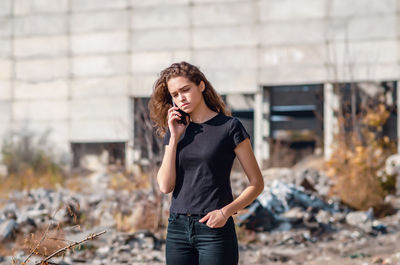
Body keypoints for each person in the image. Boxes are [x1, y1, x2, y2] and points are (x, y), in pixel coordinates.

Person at [148, 61, 264, 265]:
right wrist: (174, 138)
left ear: (201, 86)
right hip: (177, 229)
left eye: (186, 90)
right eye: (175, 95)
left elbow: (256, 183)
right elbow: (165, 186)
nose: (181, 98)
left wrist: (225, 212)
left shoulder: (229, 127)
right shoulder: (175, 130)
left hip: (215, 229)